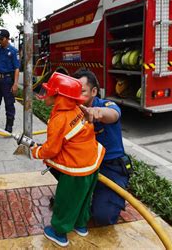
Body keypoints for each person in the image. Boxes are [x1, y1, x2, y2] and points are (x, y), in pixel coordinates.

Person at [30, 72, 105, 247]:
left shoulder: (59, 119)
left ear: (59, 96)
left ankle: (59, 233)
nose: (45, 94)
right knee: (83, 198)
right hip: (92, 164)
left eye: (49, 91)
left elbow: (52, 149)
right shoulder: (77, 109)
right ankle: (80, 225)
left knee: (66, 199)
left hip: (76, 170)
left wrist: (36, 152)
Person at [73, 69, 133, 226]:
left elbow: (113, 114)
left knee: (103, 217)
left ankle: (113, 197)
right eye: (74, 91)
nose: (77, 96)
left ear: (94, 91)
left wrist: (97, 112)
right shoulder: (73, 109)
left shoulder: (105, 105)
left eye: (82, 92)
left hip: (110, 167)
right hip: (85, 165)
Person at [0, 29, 20, 133]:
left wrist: (15, 84)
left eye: (1, 39)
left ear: (7, 38)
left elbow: (16, 68)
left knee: (9, 103)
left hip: (7, 81)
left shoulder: (13, 51)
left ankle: (9, 125)